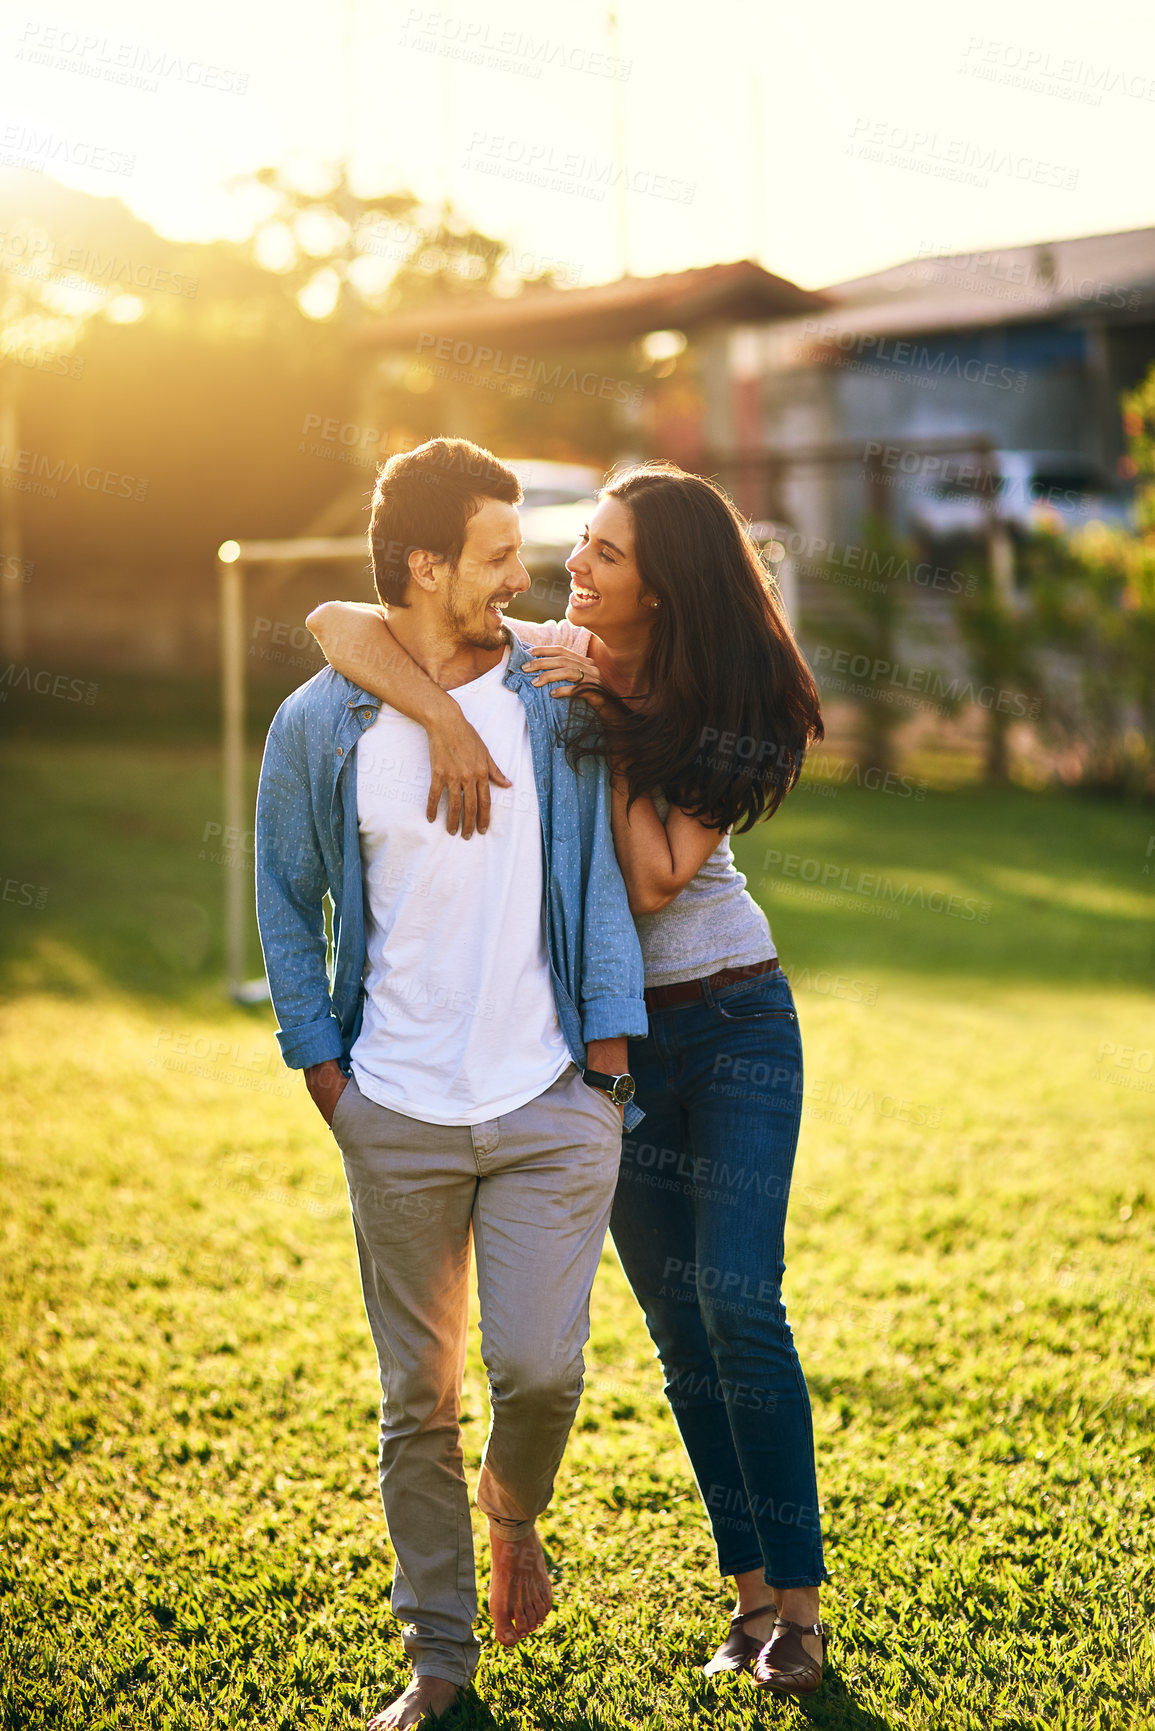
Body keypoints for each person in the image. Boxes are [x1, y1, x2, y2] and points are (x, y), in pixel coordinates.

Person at [307, 459, 829, 1698]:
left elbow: (652, 875)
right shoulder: (554, 643)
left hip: (739, 1023)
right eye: (578, 544)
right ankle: (748, 1602)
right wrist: (440, 714)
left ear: (666, 588)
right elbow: (335, 627)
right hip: (619, 1041)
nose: (570, 570)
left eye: (602, 554)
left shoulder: (719, 698)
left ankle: (799, 1617)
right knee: (680, 1334)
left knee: (741, 1304)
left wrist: (602, 704)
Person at [256, 437, 647, 1731]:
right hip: (395, 1109)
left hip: (547, 1099)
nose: (522, 572)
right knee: (414, 1399)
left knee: (537, 1369)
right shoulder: (321, 720)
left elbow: (594, 874)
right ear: (424, 563)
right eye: (494, 552)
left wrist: (604, 1066)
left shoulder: (549, 686)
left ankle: (512, 1510)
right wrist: (326, 1074)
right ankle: (438, 1658)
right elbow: (283, 898)